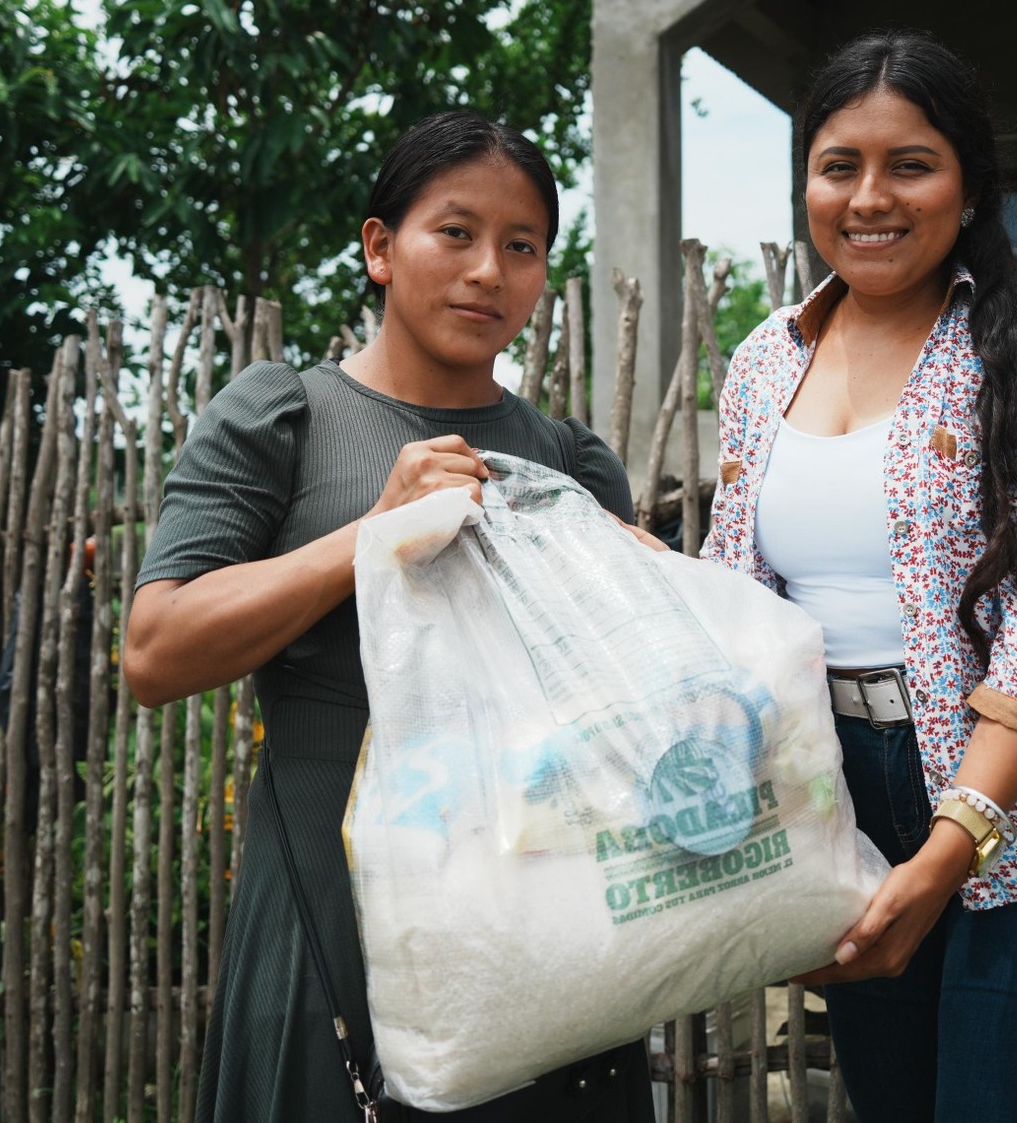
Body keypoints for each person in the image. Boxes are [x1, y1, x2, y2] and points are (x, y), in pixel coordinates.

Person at [124, 111, 658, 1123]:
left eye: (522, 246)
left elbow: (621, 705)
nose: (488, 271)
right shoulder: (283, 418)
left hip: (546, 916)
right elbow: (156, 651)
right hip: (334, 908)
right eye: (454, 233)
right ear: (379, 247)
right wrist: (373, 533)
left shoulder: (568, 464)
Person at [702, 30, 1017, 1122]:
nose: (869, 197)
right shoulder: (764, 360)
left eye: (910, 165)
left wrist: (952, 841)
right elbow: (736, 590)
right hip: (848, 793)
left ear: (967, 187)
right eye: (839, 166)